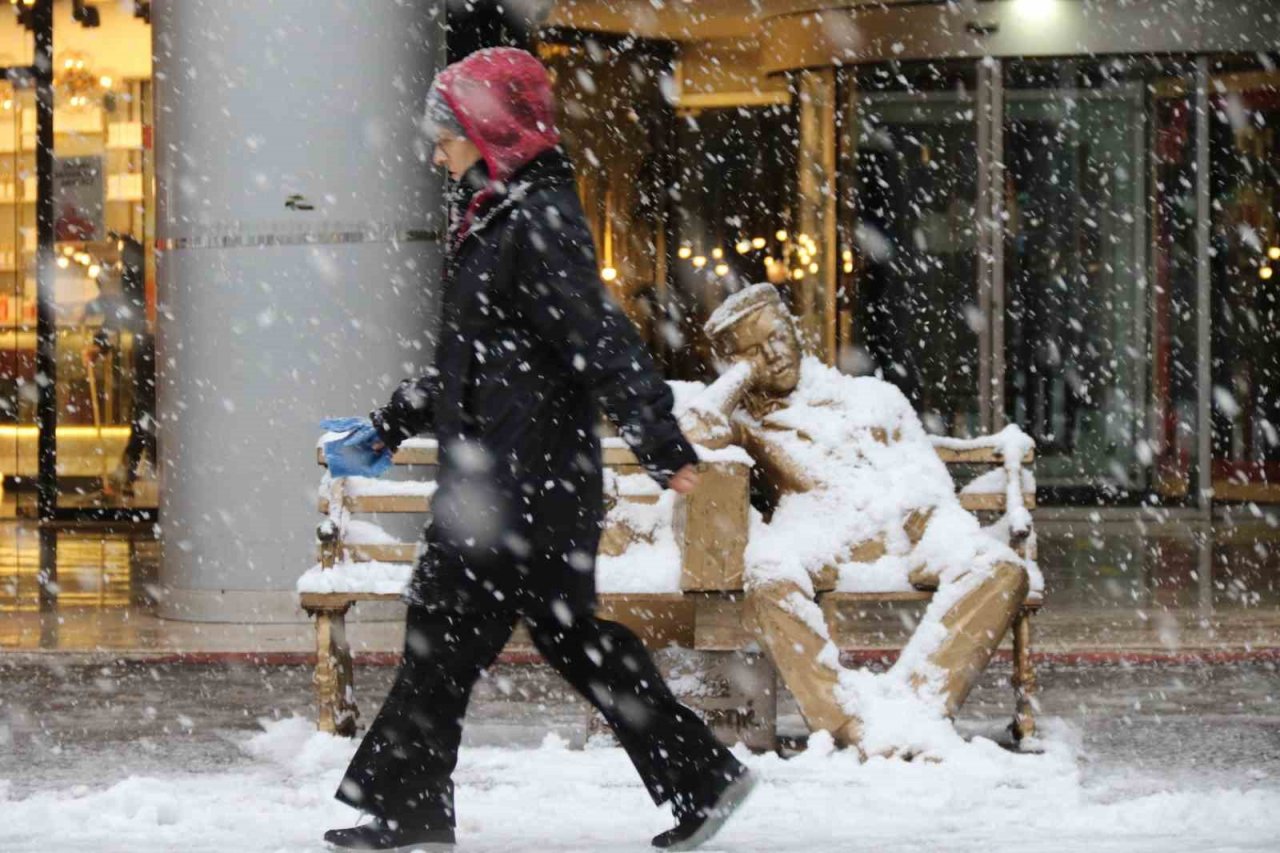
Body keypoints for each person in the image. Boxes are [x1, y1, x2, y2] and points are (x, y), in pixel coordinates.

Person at [323, 48, 754, 852]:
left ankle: (415, 808)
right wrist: (391, 421)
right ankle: (699, 777)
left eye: (447, 134)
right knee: (534, 636)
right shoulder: (495, 216)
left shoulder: (536, 219)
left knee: (463, 636)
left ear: (491, 131)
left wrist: (660, 440)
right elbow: (475, 357)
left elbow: (599, 334)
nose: (437, 153)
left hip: (525, 486)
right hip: (503, 480)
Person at [679, 284, 1031, 754]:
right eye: (754, 351)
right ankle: (848, 722)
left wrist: (923, 516)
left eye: (778, 336)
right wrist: (740, 376)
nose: (774, 354)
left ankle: (916, 705)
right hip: (821, 531)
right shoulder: (750, 423)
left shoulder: (875, 395)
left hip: (914, 523)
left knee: (1001, 568)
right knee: (766, 580)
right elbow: (691, 432)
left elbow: (929, 479)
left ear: (796, 331)